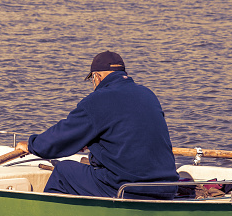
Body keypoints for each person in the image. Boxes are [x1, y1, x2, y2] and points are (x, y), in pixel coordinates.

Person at [15, 50, 179, 199]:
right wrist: (92, 142)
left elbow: (62, 136)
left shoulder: (98, 100)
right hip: (167, 186)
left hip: (128, 188)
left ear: (96, 77)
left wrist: (32, 145)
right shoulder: (148, 95)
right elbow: (127, 133)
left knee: (63, 171)